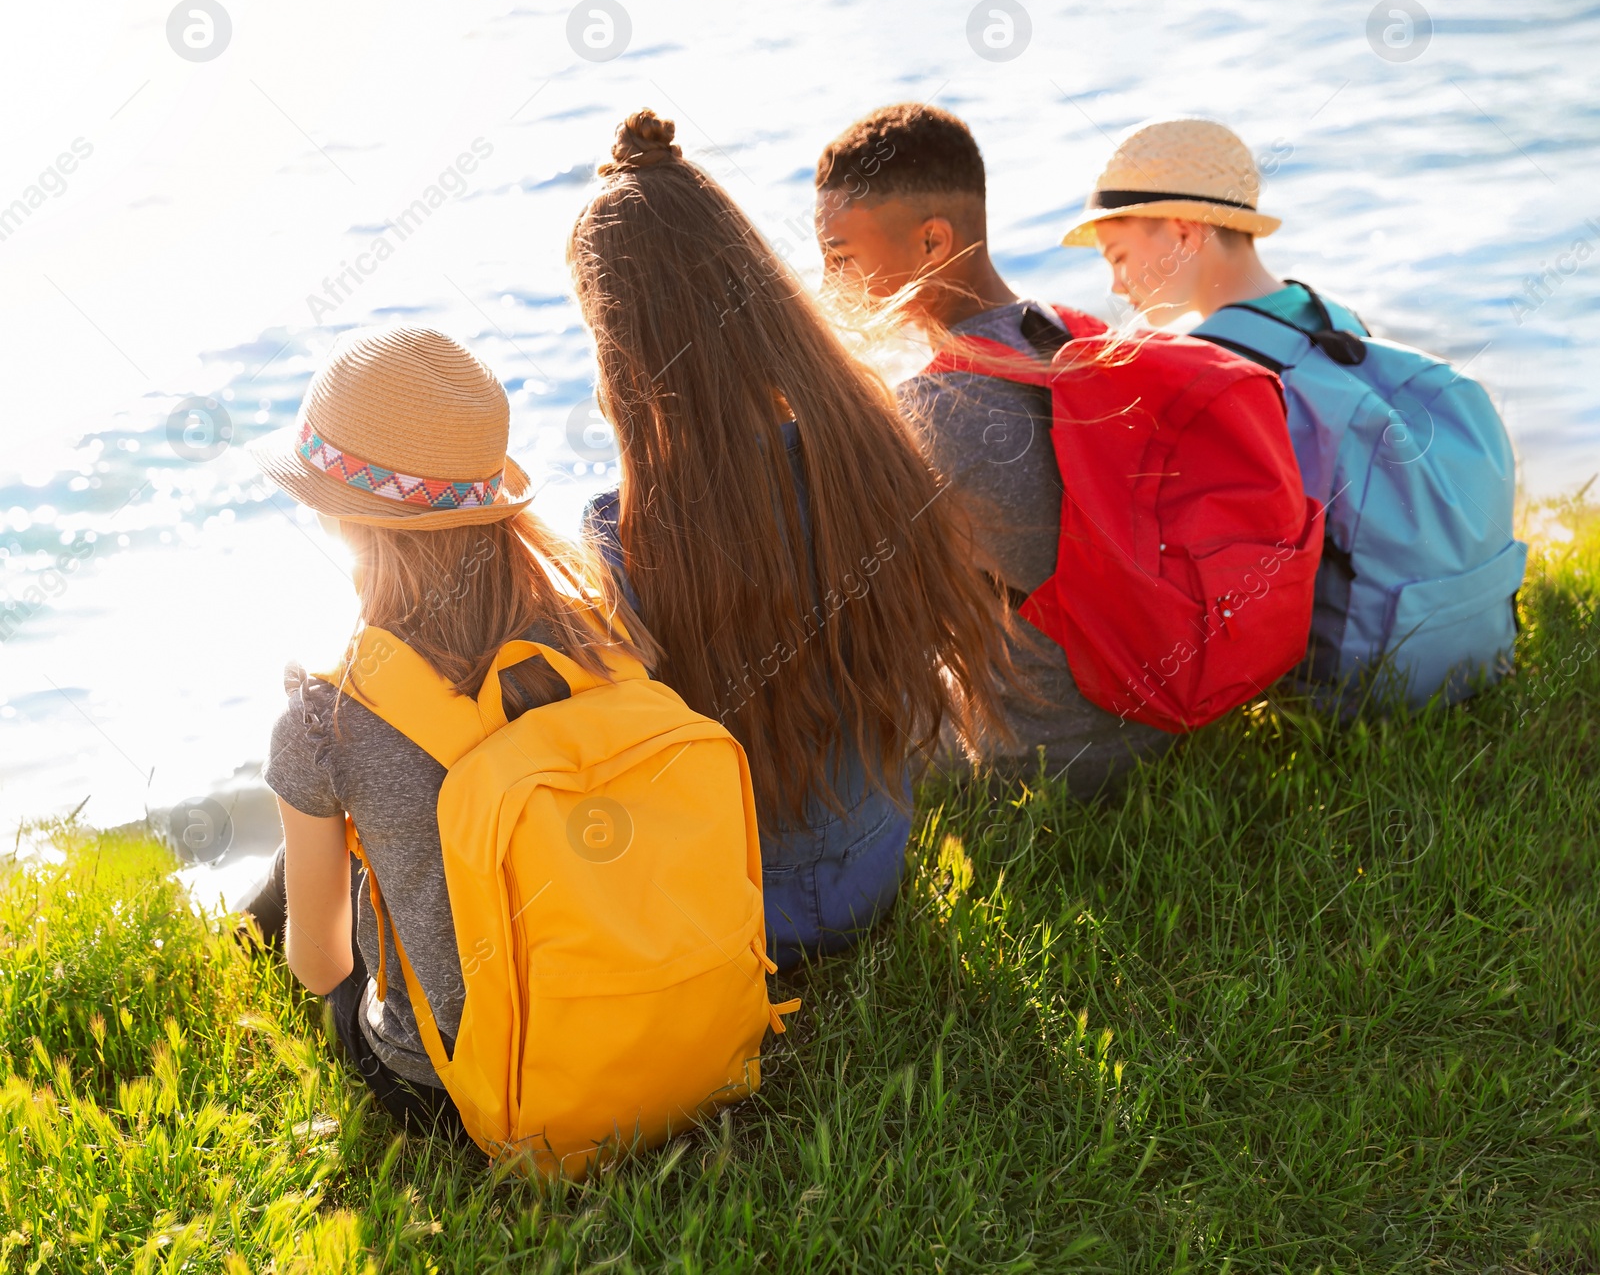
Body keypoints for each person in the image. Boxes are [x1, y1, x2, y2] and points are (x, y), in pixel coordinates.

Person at [570, 110, 1014, 970]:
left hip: (735, 913)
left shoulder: (621, 529)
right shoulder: (870, 448)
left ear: (620, 340)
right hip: (874, 875)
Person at [241, 325, 654, 1141]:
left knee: (324, 853)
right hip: (636, 1006)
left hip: (453, 1088)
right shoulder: (597, 626)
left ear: (336, 515)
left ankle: (236, 937)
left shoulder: (327, 715)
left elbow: (321, 965)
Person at [1067, 117, 1525, 711]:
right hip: (1475, 639)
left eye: (1119, 256)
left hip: (1359, 686)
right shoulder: (1332, 317)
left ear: (1183, 233)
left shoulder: (1209, 370)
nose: (1117, 286)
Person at [813, 102, 1176, 791]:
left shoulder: (932, 409)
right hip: (1150, 711)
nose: (829, 286)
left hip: (1039, 754)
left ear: (932, 244)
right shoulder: (1070, 336)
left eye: (842, 258)